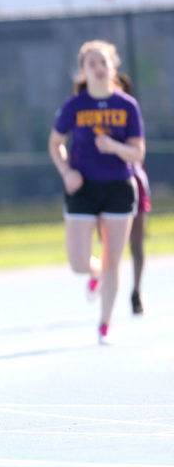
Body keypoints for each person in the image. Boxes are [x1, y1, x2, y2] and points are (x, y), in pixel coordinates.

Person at [48, 41, 145, 345]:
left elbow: (138, 152)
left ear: (113, 67)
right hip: (83, 188)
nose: (98, 68)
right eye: (91, 63)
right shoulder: (75, 106)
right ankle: (95, 275)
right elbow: (55, 143)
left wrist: (115, 147)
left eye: (103, 62)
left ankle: (105, 322)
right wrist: (67, 172)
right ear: (83, 70)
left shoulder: (127, 105)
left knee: (113, 260)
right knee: (78, 262)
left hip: (118, 187)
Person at [115, 72, 150, 316]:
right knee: (110, 246)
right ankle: (105, 283)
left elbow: (138, 153)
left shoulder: (131, 114)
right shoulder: (91, 115)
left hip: (133, 182)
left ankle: (136, 291)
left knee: (136, 242)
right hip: (104, 186)